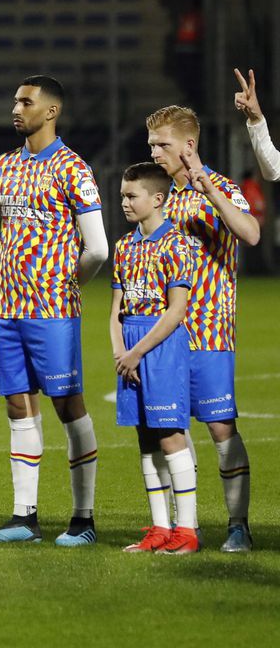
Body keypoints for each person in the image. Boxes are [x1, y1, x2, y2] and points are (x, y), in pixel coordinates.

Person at [0, 75, 108, 546]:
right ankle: (25, 516)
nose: (16, 108)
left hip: (52, 311)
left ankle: (83, 518)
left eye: (26, 101)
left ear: (51, 112)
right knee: (17, 405)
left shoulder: (72, 169)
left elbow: (98, 248)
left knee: (68, 406)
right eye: (15, 100)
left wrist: (68, 285)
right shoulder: (5, 165)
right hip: (8, 309)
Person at [147, 105, 259, 552]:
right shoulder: (160, 197)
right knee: (169, 429)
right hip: (163, 332)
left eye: (163, 145)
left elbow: (250, 233)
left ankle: (238, 525)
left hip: (209, 331)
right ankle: (183, 526)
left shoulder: (220, 187)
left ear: (188, 146)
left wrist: (209, 189)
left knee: (219, 428)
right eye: (151, 144)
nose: (154, 152)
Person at [110, 163, 198, 554]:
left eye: (132, 196)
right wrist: (119, 352)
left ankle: (187, 530)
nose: (125, 202)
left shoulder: (176, 243)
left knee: (170, 436)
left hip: (158, 345)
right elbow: (116, 308)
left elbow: (176, 310)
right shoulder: (124, 246)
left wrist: (136, 351)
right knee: (146, 439)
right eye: (124, 195)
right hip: (129, 347)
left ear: (157, 199)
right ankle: (160, 528)